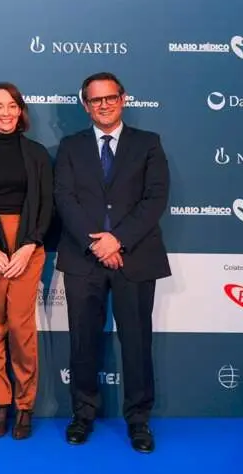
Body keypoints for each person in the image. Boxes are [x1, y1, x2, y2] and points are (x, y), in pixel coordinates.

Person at [54, 72, 171, 453]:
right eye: (95, 100)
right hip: (83, 258)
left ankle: (139, 420)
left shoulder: (148, 144)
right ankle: (82, 414)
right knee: (82, 341)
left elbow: (154, 199)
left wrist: (117, 239)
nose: (103, 105)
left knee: (136, 342)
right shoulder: (70, 146)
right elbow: (65, 199)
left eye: (110, 98)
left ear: (123, 99)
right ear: (85, 105)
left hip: (135, 256)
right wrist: (98, 243)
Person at [0, 82, 53, 440]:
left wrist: (28, 246)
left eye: (11, 106)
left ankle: (25, 405)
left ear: (20, 111)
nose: (5, 113)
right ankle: (1, 402)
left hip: (27, 246)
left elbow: (48, 204)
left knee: (20, 328)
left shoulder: (37, 154)